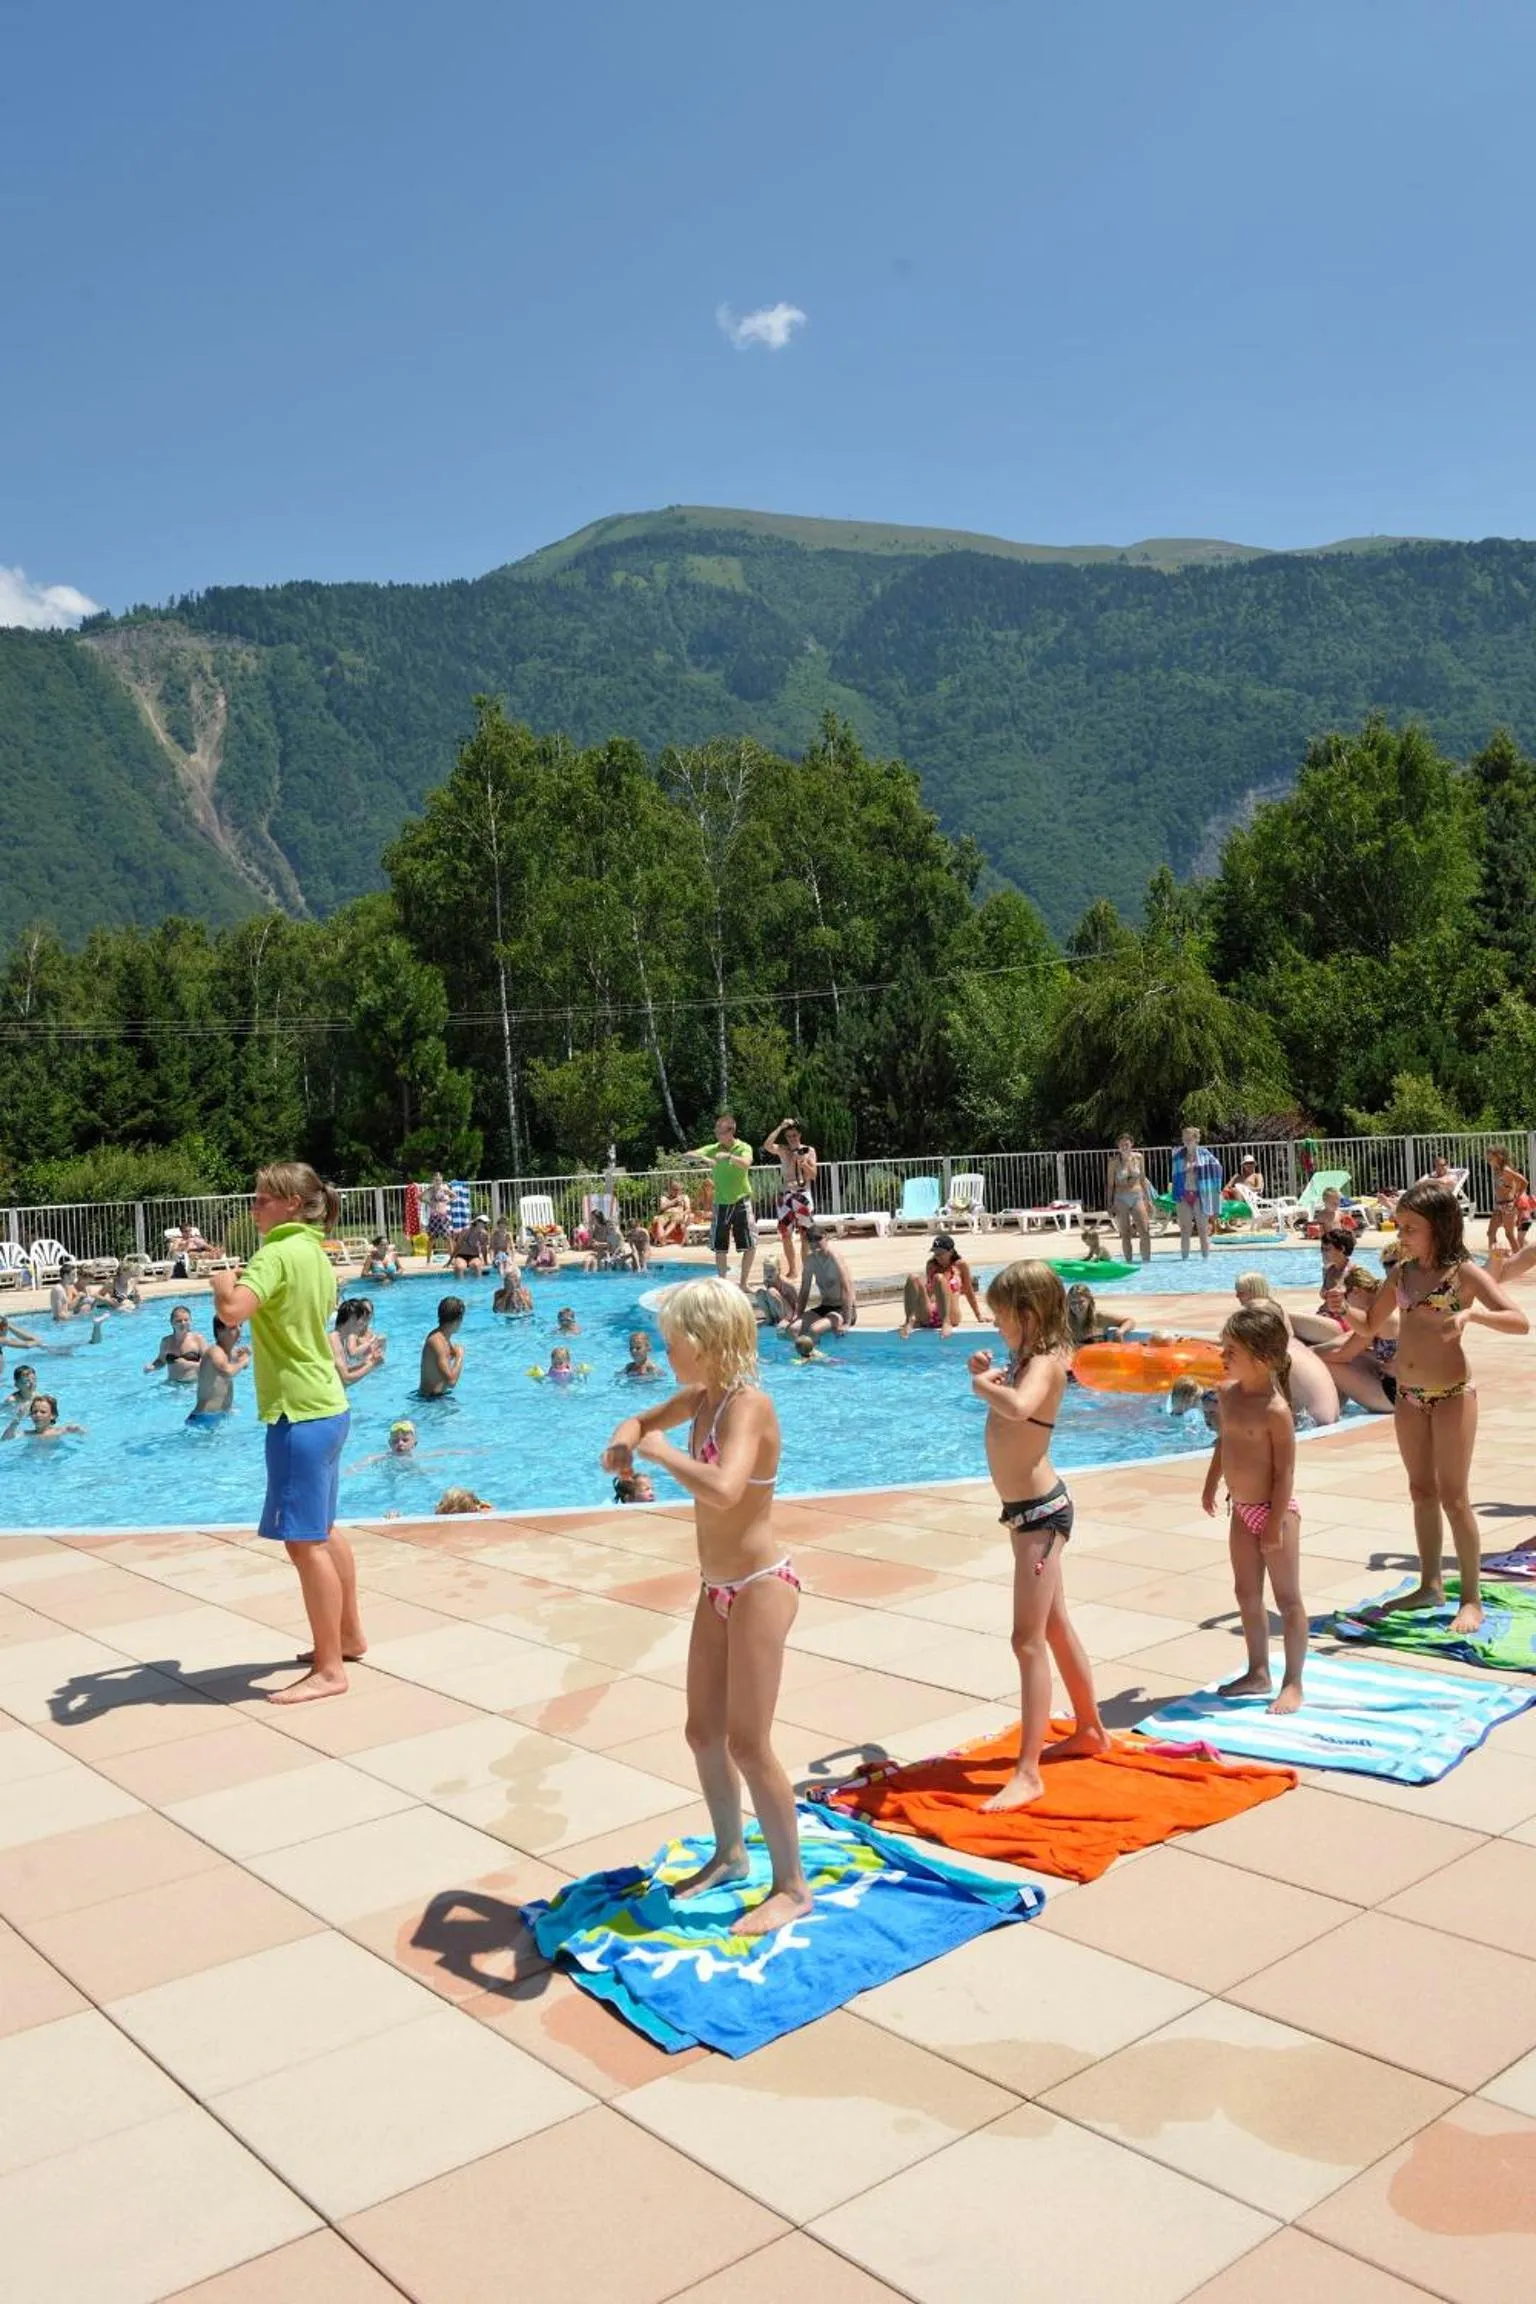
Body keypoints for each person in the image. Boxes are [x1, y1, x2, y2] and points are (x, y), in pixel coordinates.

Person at [601, 1278, 809, 1935]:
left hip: (760, 1585)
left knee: (749, 1742)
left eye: (673, 1341)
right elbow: (639, 1419)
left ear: (711, 1340)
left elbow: (724, 1489)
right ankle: (729, 1852)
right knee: (702, 1733)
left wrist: (659, 1454)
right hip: (715, 1585)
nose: (665, 1352)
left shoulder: (748, 1406)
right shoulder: (700, 1398)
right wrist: (626, 1438)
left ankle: (793, 1887)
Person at [209, 1162, 362, 1704]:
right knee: (324, 1528)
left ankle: (328, 1670)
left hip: (297, 1413)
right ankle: (348, 1637)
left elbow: (232, 1313)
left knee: (304, 1542)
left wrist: (221, 1279)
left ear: (292, 1203)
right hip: (328, 1406)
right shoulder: (315, 1252)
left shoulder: (274, 1253)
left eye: (262, 1200)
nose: (253, 1209)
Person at [1347, 1181, 1528, 1636]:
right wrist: (1344, 1308)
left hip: (1452, 1395)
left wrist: (1475, 1315)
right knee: (1420, 1491)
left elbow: (1520, 1321)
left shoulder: (1463, 1274)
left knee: (1454, 1497)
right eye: (1401, 1226)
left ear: (1440, 1228)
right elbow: (1371, 1327)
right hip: (1408, 1396)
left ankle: (1471, 1597)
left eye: (1411, 1228)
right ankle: (1430, 1584)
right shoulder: (1402, 1274)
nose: (1402, 1235)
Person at [968, 1262, 1108, 1810]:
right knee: (1052, 1625)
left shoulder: (1046, 1364)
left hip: (1041, 1519)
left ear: (1026, 1314)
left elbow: (1023, 1407)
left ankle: (1027, 1772)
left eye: (1001, 1317)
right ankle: (1091, 1728)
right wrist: (990, 1371)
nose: (997, 1326)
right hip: (1027, 1514)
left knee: (1025, 1639)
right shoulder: (1027, 1358)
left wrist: (983, 1387)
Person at [1201, 1303, 1307, 1713]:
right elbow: (1223, 1442)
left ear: (1261, 1360)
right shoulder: (1228, 1394)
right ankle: (1257, 1670)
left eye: (1231, 1351)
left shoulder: (1275, 1411)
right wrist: (1212, 1482)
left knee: (1288, 1600)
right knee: (1246, 1593)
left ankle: (1293, 1682)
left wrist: (1274, 1524)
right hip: (1241, 1509)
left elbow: (1285, 1474)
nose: (1222, 1356)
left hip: (1274, 1511)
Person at [1311, 1266, 1399, 1415]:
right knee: (1349, 1354)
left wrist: (1303, 1357)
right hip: (1401, 1386)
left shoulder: (1381, 1318)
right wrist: (1311, 1349)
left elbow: (1343, 1354)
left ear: (1357, 1292)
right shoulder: (1389, 1309)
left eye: (1345, 1299)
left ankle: (1326, 1410)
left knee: (1328, 1362)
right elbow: (1345, 1340)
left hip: (1394, 1395)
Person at [684, 1115, 757, 1290]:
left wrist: (730, 1157)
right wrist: (704, 1159)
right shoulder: (713, 1148)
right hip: (721, 1203)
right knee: (720, 1245)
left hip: (741, 1201)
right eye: (716, 1132)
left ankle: (744, 1283)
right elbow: (686, 1156)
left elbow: (746, 1163)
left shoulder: (743, 1147)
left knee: (750, 1244)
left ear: (731, 1131)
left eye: (720, 1132)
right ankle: (723, 1283)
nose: (717, 1135)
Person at [762, 1118, 818, 1282]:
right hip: (786, 1196)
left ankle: (806, 1269)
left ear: (799, 1135)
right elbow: (767, 1145)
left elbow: (813, 1175)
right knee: (786, 1234)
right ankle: (793, 1269)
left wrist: (804, 1164)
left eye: (794, 1135)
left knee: (805, 1234)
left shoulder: (808, 1151)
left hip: (802, 1195)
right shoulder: (783, 1150)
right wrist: (780, 1126)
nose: (792, 1138)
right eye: (789, 1136)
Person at [899, 1233, 983, 1337]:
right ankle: (910, 1319)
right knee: (913, 1278)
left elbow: (969, 1291)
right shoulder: (931, 1265)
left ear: (951, 1251)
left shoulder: (961, 1265)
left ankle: (945, 1321)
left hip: (951, 1315)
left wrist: (978, 1316)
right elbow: (928, 1294)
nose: (938, 1257)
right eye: (935, 1253)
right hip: (929, 1314)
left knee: (939, 1278)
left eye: (941, 1253)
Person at [789, 1225, 857, 1337]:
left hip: (842, 1309)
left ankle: (814, 1354)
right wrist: (798, 1314)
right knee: (793, 1329)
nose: (814, 1243)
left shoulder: (834, 1257)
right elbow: (804, 1290)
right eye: (810, 1240)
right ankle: (802, 1354)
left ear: (826, 1238)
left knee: (814, 1330)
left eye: (817, 1239)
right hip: (825, 1306)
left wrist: (847, 1321)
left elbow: (847, 1288)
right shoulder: (810, 1261)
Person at [1171, 1125, 1224, 1261]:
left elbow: (1218, 1167)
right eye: (1184, 1138)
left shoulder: (1205, 1154)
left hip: (1201, 1195)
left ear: (1196, 1139)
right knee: (1185, 1229)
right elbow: (1176, 1176)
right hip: (1184, 1195)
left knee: (1202, 1229)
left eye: (1189, 1138)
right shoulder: (1178, 1156)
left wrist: (1212, 1186)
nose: (1186, 1141)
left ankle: (1205, 1259)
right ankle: (1184, 1260)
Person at [185, 1318, 251, 1426]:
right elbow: (227, 1372)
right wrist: (243, 1361)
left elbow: (243, 1365)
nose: (239, 1330)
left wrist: (245, 1354)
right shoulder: (215, 1352)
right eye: (233, 1327)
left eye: (240, 1326)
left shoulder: (231, 1352)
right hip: (203, 1418)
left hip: (220, 1415)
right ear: (220, 1331)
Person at [1105, 1134, 1155, 1264]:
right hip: (1121, 1198)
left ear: (1131, 1144)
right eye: (1121, 1144)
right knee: (1125, 1233)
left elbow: (1143, 1179)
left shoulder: (1139, 1158)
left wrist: (1148, 1200)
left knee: (1144, 1230)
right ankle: (1129, 1262)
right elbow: (1110, 1185)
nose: (1124, 1147)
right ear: (1118, 1147)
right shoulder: (1113, 1163)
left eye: (1126, 1144)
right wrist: (1109, 1204)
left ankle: (1146, 1262)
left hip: (1137, 1196)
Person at [145, 1305, 207, 1385]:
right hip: (172, 1385)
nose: (183, 1323)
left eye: (186, 1320)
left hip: (193, 1385)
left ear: (190, 1321)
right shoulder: (166, 1341)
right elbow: (161, 1361)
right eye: (179, 1321)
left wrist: (189, 1364)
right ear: (172, 1323)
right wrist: (152, 1367)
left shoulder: (198, 1339)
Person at [331, 1298, 386, 1387]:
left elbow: (345, 1371)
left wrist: (369, 1361)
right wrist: (372, 1364)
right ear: (352, 1319)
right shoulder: (333, 1340)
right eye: (362, 1318)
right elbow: (346, 1379)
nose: (364, 1322)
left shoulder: (339, 1339)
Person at [1486, 1146, 1529, 1259]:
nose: (1488, 1158)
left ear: (1498, 1157)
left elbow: (1524, 1182)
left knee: (1509, 1234)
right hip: (1499, 1206)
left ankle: (1519, 1260)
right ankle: (1494, 1259)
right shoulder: (1497, 1170)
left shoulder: (1506, 1169)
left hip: (1508, 1205)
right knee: (1491, 1233)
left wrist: (1517, 1196)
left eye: (1490, 1156)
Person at [419, 1298, 465, 1397]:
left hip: (436, 1398)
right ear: (458, 1320)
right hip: (429, 1401)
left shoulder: (442, 1337)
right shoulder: (437, 1342)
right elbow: (451, 1382)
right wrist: (459, 1356)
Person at [1065, 1284, 1135, 1349]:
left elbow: (1130, 1321)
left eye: (1081, 1302)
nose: (1077, 1306)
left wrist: (1119, 1332)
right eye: (1073, 1303)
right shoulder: (1065, 1323)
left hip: (1102, 1360)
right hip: (1077, 1361)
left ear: (1089, 1300)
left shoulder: (1100, 1318)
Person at [2, 1393, 85, 1442]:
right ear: (30, 1415)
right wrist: (17, 1418)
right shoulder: (27, 1434)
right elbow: (5, 1439)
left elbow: (83, 1435)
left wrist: (78, 1429)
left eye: (43, 1412)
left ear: (53, 1415)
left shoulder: (61, 1431)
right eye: (34, 1412)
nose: (38, 1415)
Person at [752, 1254, 799, 1330]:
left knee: (771, 1292)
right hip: (778, 1310)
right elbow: (771, 1299)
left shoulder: (786, 1283)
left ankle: (783, 1320)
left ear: (779, 1270)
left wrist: (795, 1318)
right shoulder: (767, 1281)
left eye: (772, 1270)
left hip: (789, 1313)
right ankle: (770, 1319)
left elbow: (798, 1302)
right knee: (759, 1293)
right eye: (766, 1271)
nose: (769, 1273)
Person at [651, 1181, 692, 1246]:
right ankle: (663, 1241)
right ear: (670, 1190)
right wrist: (673, 1201)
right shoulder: (664, 1198)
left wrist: (683, 1214)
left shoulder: (684, 1197)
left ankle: (663, 1237)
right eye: (674, 1189)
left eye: (678, 1189)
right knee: (659, 1221)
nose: (677, 1191)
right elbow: (662, 1208)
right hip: (666, 1214)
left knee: (674, 1221)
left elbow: (688, 1209)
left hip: (678, 1214)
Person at [425, 1173, 454, 1260]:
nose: (438, 1182)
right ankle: (428, 1260)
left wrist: (447, 1201)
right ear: (433, 1181)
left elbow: (455, 1195)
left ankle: (451, 1259)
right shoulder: (430, 1190)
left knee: (448, 1239)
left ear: (441, 1180)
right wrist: (428, 1202)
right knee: (431, 1239)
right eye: (436, 1180)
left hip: (443, 1217)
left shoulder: (444, 1189)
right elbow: (419, 1197)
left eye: (439, 1180)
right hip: (434, 1217)